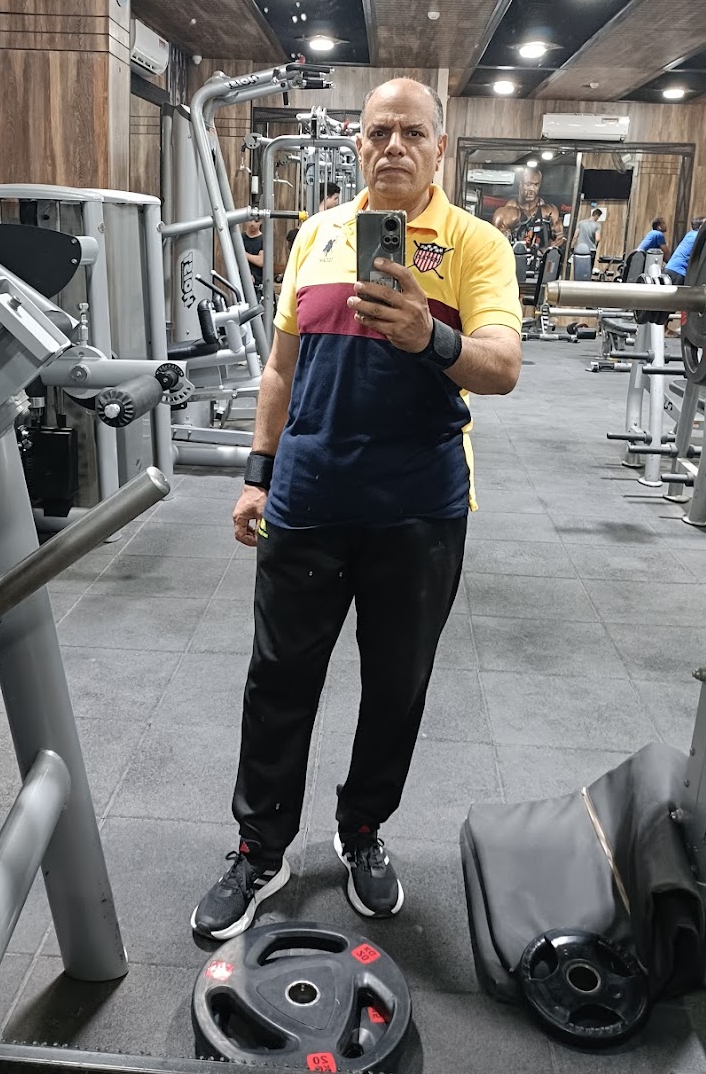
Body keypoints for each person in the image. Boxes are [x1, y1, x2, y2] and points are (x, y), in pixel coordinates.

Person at [191, 76, 522, 941]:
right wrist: (257, 472)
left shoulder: (475, 244)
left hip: (418, 508)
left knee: (396, 687)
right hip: (308, 497)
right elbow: (280, 368)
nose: (393, 147)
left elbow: (501, 365)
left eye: (412, 132)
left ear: (440, 147)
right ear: (358, 143)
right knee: (278, 681)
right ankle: (260, 848)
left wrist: (427, 335)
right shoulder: (317, 233)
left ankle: (362, 828)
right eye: (378, 132)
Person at [665, 216, 704, 284]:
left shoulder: (690, 234)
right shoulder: (698, 236)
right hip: (679, 272)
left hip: (670, 268)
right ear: (701, 226)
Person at [241, 217, 264, 288]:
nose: (252, 224)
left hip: (258, 283)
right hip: (240, 279)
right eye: (250, 220)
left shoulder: (264, 239)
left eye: (256, 221)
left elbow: (261, 261)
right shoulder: (239, 238)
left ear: (261, 221)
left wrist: (242, 254)